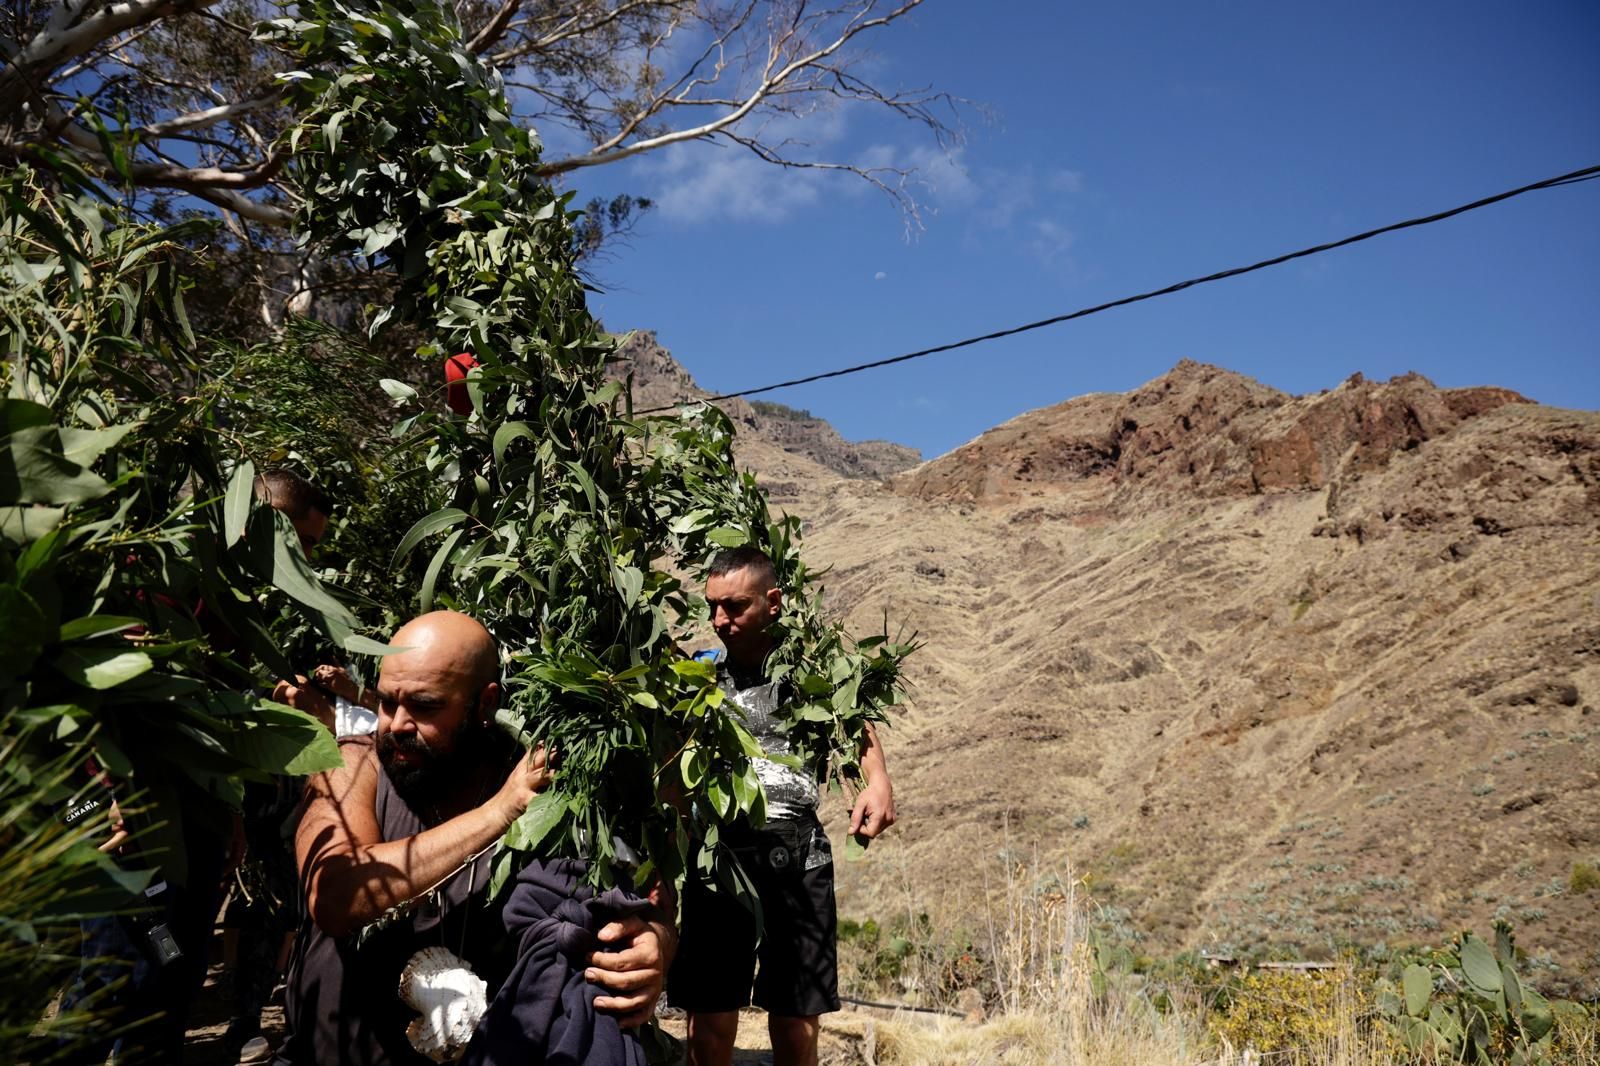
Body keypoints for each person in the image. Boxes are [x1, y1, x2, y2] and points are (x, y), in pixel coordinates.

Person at [274, 610, 672, 1065]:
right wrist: (498, 812)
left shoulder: (540, 781)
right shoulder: (351, 766)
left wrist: (656, 940)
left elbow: (646, 884)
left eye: (425, 706)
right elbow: (337, 895)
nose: (397, 724)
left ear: (485, 703)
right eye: (387, 703)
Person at [668, 547, 897, 1066]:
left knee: (796, 1025)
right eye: (712, 607)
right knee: (708, 1021)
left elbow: (853, 722)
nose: (719, 621)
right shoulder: (700, 675)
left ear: (773, 602)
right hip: (717, 863)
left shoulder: (810, 674)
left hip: (798, 863)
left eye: (735, 606)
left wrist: (877, 779)